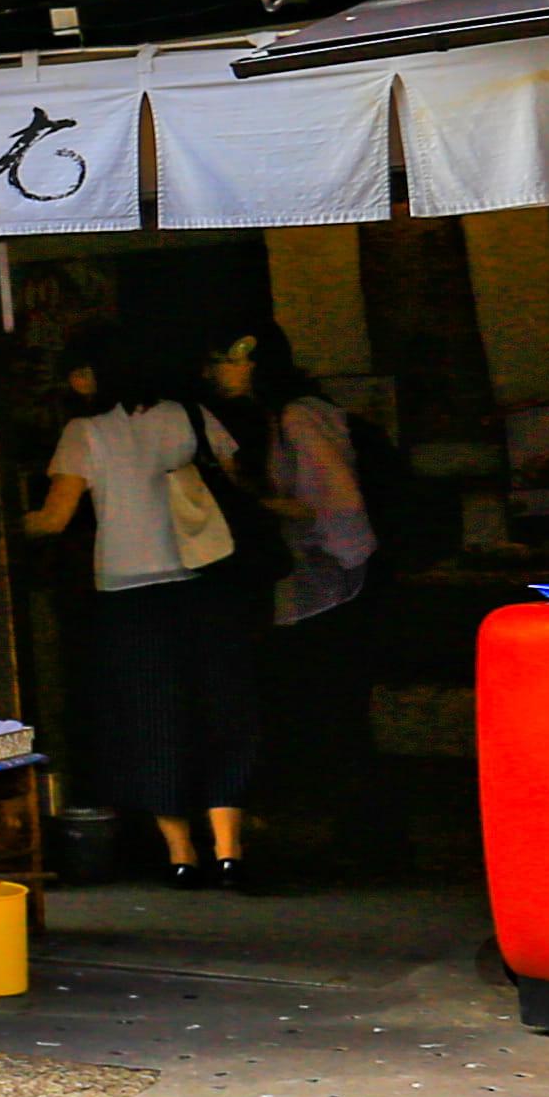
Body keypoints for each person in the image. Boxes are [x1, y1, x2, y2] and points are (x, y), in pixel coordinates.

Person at [26, 349, 257, 886]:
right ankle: (229, 850)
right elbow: (239, 482)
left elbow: (56, 518)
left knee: (153, 718)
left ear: (96, 374)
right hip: (208, 580)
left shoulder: (85, 432)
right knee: (223, 712)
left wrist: (0, 524)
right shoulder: (191, 415)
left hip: (128, 592)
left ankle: (181, 855)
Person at [213, 321, 388, 884]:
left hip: (334, 586)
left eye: (226, 361)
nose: (217, 373)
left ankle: (362, 842)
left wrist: (250, 498)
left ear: (252, 362)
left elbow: (333, 503)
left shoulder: (298, 417)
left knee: (330, 716)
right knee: (330, 716)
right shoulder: (285, 416)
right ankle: (356, 840)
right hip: (326, 585)